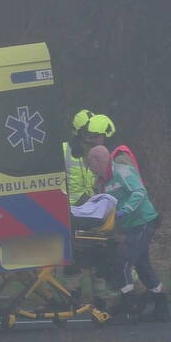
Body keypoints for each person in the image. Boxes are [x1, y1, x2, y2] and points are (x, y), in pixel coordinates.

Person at [86, 145, 169, 322]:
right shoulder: (99, 182)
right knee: (143, 266)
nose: (89, 167)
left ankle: (130, 302)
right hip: (129, 226)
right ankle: (162, 308)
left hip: (143, 221)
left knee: (122, 261)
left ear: (99, 161)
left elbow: (139, 192)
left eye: (90, 163)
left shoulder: (123, 172)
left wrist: (125, 210)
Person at [60, 109, 98, 301]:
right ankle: (73, 295)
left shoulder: (98, 153)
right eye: (88, 133)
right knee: (71, 255)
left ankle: (103, 296)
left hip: (94, 212)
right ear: (79, 132)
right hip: (71, 214)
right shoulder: (64, 150)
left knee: (98, 254)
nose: (92, 138)